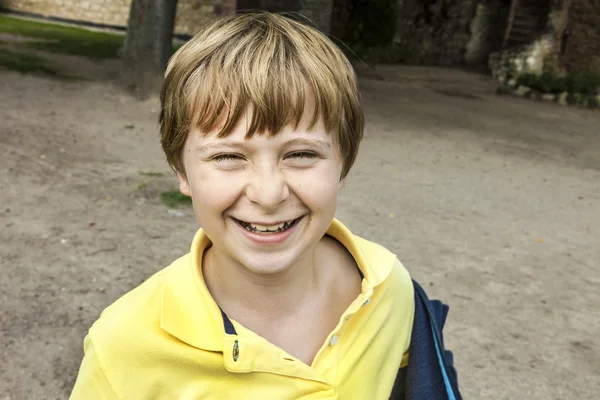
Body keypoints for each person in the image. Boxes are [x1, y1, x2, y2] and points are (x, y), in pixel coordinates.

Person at [70, 11, 461, 400]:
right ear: (181, 171)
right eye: (227, 157)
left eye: (302, 154)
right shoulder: (122, 349)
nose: (268, 194)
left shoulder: (388, 287)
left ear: (345, 163)